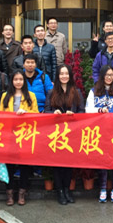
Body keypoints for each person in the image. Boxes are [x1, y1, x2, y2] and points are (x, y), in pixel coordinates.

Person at [86, 65, 113, 203]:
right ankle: (103, 189)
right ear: (102, 76)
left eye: (111, 75)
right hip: (100, 132)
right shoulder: (94, 91)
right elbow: (88, 110)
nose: (109, 77)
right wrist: (100, 111)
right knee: (102, 161)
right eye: (107, 75)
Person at [44, 64, 85, 205]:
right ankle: (60, 191)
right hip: (56, 134)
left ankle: (67, 189)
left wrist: (74, 115)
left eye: (66, 73)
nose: (64, 76)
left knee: (68, 163)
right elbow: (46, 111)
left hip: (71, 133)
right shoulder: (51, 92)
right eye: (61, 74)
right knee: (57, 164)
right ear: (58, 76)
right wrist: (53, 113)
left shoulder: (76, 92)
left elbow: (82, 111)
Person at [0, 70, 39, 206]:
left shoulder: (31, 96)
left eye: (20, 79)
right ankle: (9, 193)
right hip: (9, 135)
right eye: (15, 79)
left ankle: (22, 192)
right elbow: (0, 115)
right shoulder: (5, 96)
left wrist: (26, 113)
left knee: (24, 165)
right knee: (9, 164)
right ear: (11, 81)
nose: (18, 82)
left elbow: (37, 114)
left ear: (24, 81)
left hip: (25, 135)